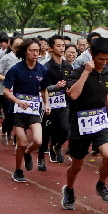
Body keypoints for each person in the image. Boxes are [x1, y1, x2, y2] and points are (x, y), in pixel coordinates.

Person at [61, 38, 108, 210]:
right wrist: (86, 73)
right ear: (92, 55)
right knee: (77, 164)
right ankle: (69, 189)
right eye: (101, 59)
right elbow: (73, 95)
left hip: (100, 120)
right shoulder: (77, 72)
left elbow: (106, 92)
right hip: (80, 123)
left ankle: (101, 184)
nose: (104, 63)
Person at [4, 39, 50, 182]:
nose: (35, 53)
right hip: (18, 110)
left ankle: (28, 153)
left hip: (34, 110)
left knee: (37, 141)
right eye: (32, 50)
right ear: (25, 52)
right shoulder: (16, 69)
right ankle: (18, 170)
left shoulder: (42, 70)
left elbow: (44, 89)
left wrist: (47, 103)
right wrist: (18, 101)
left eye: (37, 50)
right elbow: (6, 91)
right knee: (22, 143)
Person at [38, 35, 73, 169]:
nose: (62, 48)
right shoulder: (45, 67)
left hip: (64, 103)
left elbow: (71, 83)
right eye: (58, 46)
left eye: (63, 45)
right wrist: (55, 87)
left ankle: (57, 146)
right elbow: (41, 87)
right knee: (46, 132)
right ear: (51, 49)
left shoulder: (68, 66)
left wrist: (69, 89)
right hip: (48, 104)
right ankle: (41, 157)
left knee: (66, 129)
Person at [0, 37, 23, 144]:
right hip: (6, 92)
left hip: (20, 92)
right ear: (11, 46)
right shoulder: (6, 58)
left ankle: (17, 138)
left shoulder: (25, 59)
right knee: (9, 116)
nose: (19, 46)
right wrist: (8, 79)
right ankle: (5, 130)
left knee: (19, 116)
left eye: (21, 44)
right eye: (17, 44)